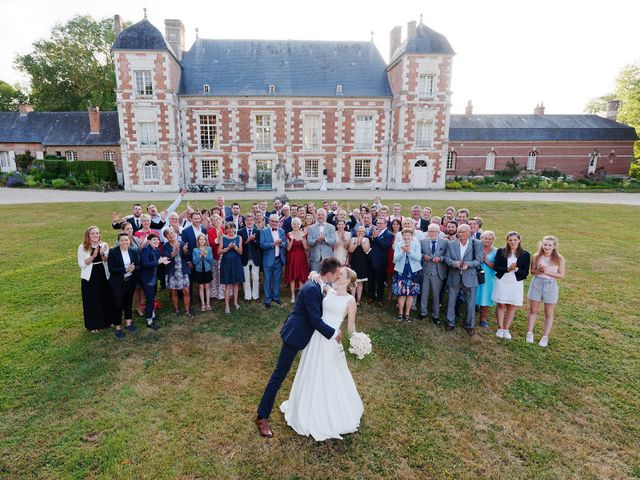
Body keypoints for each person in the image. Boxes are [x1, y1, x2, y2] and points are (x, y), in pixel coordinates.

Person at [255, 257, 344, 438]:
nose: (339, 276)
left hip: (306, 335)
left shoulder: (317, 282)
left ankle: (309, 409)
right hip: (295, 335)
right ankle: (261, 416)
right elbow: (314, 319)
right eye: (337, 274)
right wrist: (334, 333)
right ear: (328, 274)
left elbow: (322, 291)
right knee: (279, 375)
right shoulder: (312, 288)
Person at [279, 266, 363, 441]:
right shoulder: (329, 290)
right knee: (311, 370)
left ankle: (329, 411)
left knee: (329, 373)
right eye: (338, 273)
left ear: (348, 281)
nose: (338, 274)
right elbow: (319, 280)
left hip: (331, 340)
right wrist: (314, 274)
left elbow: (350, 326)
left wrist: (358, 341)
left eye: (342, 274)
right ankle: (306, 405)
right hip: (317, 336)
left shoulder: (350, 301)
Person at [443, 224, 484, 336]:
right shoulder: (451, 244)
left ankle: (470, 325)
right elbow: (447, 258)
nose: (460, 234)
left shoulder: (477, 243)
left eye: (463, 232)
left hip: (470, 277)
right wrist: (454, 263)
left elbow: (479, 260)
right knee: (451, 301)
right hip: (454, 276)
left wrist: (468, 264)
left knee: (470, 303)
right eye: (459, 232)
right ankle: (450, 323)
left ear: (469, 232)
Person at [526, 236, 565, 347]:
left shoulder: (559, 259)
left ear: (554, 246)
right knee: (533, 310)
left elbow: (561, 275)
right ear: (542, 245)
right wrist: (539, 271)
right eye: (545, 244)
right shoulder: (536, 256)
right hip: (537, 283)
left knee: (548, 312)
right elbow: (532, 272)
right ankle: (529, 333)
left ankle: (545, 337)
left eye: (549, 245)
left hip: (550, 285)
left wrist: (547, 272)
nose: (547, 247)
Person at [493, 231, 531, 340]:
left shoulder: (525, 254)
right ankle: (500, 328)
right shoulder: (501, 252)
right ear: (507, 241)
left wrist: (517, 269)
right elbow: (496, 267)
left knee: (511, 306)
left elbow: (525, 273)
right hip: (502, 280)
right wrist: (508, 269)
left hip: (515, 282)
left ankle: (506, 329)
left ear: (519, 240)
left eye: (515, 240)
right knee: (501, 304)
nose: (513, 242)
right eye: (510, 240)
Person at [78, 226, 111, 333]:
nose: (95, 235)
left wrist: (102, 254)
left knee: (104, 297)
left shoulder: (104, 245)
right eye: (93, 233)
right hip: (90, 276)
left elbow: (107, 260)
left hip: (102, 273)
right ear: (88, 235)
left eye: (97, 233)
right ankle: (93, 325)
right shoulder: (83, 247)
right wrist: (93, 255)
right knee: (92, 299)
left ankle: (106, 321)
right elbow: (82, 264)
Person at [107, 232, 138, 338]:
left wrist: (134, 268)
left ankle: (129, 322)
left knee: (128, 302)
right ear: (118, 242)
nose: (125, 242)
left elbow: (137, 265)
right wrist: (125, 269)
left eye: (127, 240)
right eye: (122, 240)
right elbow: (111, 269)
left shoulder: (133, 251)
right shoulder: (113, 252)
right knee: (118, 304)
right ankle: (117, 327)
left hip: (130, 281)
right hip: (117, 283)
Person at [138, 233, 170, 330]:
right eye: (154, 240)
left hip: (154, 278)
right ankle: (149, 321)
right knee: (150, 300)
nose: (156, 242)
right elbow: (144, 264)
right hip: (147, 279)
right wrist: (158, 262)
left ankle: (152, 315)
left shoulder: (157, 250)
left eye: (157, 240)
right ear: (149, 241)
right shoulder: (145, 250)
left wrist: (162, 262)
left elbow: (158, 262)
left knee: (152, 298)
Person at [419, 224, 448, 325]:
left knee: (436, 295)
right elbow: (419, 253)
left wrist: (441, 258)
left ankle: (436, 315)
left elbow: (448, 256)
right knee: (424, 293)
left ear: (438, 232)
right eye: (430, 231)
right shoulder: (422, 242)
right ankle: (423, 312)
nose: (432, 233)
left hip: (438, 272)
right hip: (425, 271)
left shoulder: (445, 242)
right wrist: (423, 256)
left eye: (434, 231)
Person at [393, 228, 422, 322]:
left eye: (408, 235)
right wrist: (403, 252)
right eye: (404, 235)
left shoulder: (416, 244)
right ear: (402, 236)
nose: (406, 237)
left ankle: (407, 314)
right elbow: (395, 259)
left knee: (410, 294)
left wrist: (409, 251)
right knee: (402, 293)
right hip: (401, 271)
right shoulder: (398, 245)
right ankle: (400, 313)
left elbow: (418, 258)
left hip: (413, 271)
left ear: (412, 236)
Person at [163, 228, 192, 317]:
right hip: (172, 272)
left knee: (186, 291)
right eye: (168, 234)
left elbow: (186, 256)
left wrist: (185, 251)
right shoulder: (165, 246)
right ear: (166, 237)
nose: (171, 235)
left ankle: (187, 310)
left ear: (175, 234)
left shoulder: (181, 243)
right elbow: (167, 258)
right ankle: (177, 309)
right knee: (174, 292)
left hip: (182, 270)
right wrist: (174, 251)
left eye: (172, 233)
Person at [260, 214, 287, 309]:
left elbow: (285, 243)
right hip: (268, 259)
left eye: (277, 221)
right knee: (267, 279)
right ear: (269, 222)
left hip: (278, 259)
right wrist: (273, 244)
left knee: (277, 279)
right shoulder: (264, 231)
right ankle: (267, 299)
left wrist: (281, 243)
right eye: (273, 221)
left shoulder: (282, 231)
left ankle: (275, 297)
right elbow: (262, 244)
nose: (275, 223)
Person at [367, 217, 394, 307]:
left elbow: (385, 245)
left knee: (380, 281)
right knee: (371, 279)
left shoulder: (389, 234)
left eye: (381, 223)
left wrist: (376, 238)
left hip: (381, 261)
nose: (379, 225)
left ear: (386, 224)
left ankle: (379, 299)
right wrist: (372, 237)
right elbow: (369, 240)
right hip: (371, 259)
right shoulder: (373, 231)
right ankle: (371, 296)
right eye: (378, 223)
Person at [219, 222, 244, 314]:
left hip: (237, 262)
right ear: (226, 230)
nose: (231, 230)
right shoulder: (223, 238)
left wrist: (236, 247)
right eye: (228, 228)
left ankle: (235, 302)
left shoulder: (239, 238)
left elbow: (241, 252)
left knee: (236, 284)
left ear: (235, 229)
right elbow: (219, 252)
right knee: (228, 284)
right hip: (226, 263)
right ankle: (227, 305)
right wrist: (228, 248)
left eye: (232, 228)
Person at [475, 231, 497, 329]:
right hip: (475, 275)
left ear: (493, 240)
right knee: (473, 295)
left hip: (488, 277)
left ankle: (483, 319)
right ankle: (470, 316)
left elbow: (497, 267)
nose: (487, 240)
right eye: (485, 238)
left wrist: (486, 261)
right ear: (481, 239)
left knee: (485, 297)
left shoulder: (496, 251)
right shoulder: (476, 248)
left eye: (490, 239)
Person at [285, 217, 310, 303]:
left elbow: (306, 248)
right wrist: (291, 239)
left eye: (297, 224)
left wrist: (303, 239)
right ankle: (292, 295)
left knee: (301, 276)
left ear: (299, 225)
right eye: (294, 224)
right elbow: (288, 248)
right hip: (292, 257)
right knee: (292, 277)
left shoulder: (303, 233)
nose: (295, 225)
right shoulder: (288, 234)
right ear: (292, 225)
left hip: (301, 257)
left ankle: (301, 296)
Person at [238, 213, 261, 301]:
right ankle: (247, 296)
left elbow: (260, 245)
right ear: (245, 221)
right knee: (246, 278)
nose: (249, 221)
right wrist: (248, 240)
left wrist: (254, 239)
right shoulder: (240, 231)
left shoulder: (257, 231)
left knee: (255, 278)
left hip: (255, 257)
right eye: (247, 220)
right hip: (245, 257)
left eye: (251, 220)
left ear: (254, 221)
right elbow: (240, 245)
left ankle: (255, 296)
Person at [307, 208, 336, 273]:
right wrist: (316, 240)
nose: (320, 216)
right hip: (315, 257)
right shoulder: (311, 228)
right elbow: (309, 241)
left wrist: (325, 239)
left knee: (328, 277)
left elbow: (333, 241)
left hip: (327, 257)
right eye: (319, 215)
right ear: (316, 216)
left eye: (322, 215)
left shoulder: (331, 227)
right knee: (315, 277)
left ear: (325, 216)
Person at [348, 226, 371, 305]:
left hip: (363, 262)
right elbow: (350, 250)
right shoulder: (353, 239)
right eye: (359, 231)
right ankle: (352, 298)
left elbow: (366, 250)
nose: (360, 233)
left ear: (364, 233)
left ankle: (358, 299)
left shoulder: (367, 239)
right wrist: (356, 243)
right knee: (354, 281)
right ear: (356, 232)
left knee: (360, 282)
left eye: (362, 231)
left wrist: (361, 242)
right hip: (354, 262)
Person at [192, 233, 213, 311]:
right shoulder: (195, 250)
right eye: (200, 239)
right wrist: (200, 256)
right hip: (199, 270)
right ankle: (203, 304)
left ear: (205, 240)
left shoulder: (209, 249)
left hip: (207, 269)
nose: (202, 241)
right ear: (198, 240)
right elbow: (194, 262)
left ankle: (208, 303)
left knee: (207, 287)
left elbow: (211, 260)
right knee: (201, 287)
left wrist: (205, 256)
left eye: (203, 239)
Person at [207, 214, 226, 301]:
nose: (215, 221)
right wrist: (217, 239)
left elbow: (227, 240)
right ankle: (215, 293)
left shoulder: (224, 229)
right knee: (215, 275)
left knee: (222, 274)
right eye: (213, 220)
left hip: (223, 256)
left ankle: (223, 294)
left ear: (220, 220)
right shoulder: (210, 231)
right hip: (214, 255)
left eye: (217, 219)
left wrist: (222, 236)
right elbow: (210, 244)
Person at [386, 219, 402, 301]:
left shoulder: (402, 235)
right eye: (394, 224)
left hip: (398, 258)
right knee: (389, 276)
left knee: (397, 277)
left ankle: (396, 293)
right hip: (389, 256)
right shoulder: (389, 234)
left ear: (400, 225)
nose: (395, 226)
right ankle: (389, 293)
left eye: (397, 224)